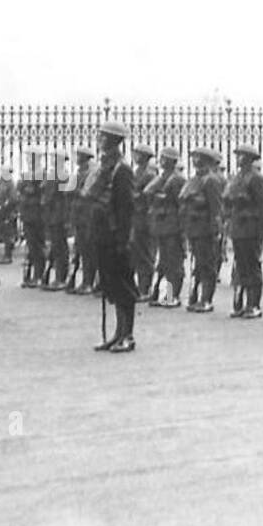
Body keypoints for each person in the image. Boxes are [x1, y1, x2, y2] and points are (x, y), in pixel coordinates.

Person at [82, 121, 139, 352]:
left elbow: (125, 208)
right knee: (112, 285)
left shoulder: (121, 169)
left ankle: (128, 335)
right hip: (103, 233)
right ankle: (118, 333)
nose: (99, 140)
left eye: (103, 137)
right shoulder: (104, 167)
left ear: (113, 141)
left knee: (123, 287)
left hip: (116, 236)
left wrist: (122, 240)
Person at [223, 143, 263, 318]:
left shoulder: (255, 178)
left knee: (252, 267)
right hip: (239, 228)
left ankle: (254, 304)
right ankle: (241, 303)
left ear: (249, 158)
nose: (238, 158)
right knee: (242, 267)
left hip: (251, 228)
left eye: (241, 155)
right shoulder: (237, 177)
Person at [180, 147, 223, 313]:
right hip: (194, 228)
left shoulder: (210, 180)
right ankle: (191, 296)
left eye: (198, 157)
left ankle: (206, 299)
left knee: (207, 266)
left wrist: (216, 230)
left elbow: (215, 208)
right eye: (194, 157)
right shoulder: (195, 179)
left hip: (205, 229)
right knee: (198, 266)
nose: (194, 160)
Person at [146, 147, 186, 307]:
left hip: (173, 226)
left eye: (165, 158)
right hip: (162, 225)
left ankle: (172, 296)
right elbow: (148, 192)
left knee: (173, 264)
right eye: (161, 157)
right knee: (163, 263)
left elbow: (180, 204)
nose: (162, 160)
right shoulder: (163, 177)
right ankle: (161, 294)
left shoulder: (177, 179)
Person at [41, 148, 71, 290]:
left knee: (60, 248)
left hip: (59, 214)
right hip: (54, 214)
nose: (53, 160)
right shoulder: (54, 174)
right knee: (56, 247)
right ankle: (58, 276)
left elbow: (61, 196)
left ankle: (61, 277)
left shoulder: (62, 176)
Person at [130, 144, 158, 296]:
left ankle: (144, 288)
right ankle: (140, 286)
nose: (134, 156)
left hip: (145, 219)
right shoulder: (137, 172)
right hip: (136, 217)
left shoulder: (149, 174)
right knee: (137, 253)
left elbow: (148, 197)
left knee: (145, 255)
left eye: (137, 154)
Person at [17, 147, 46, 288]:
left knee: (37, 246)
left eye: (31, 157)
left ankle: (39, 274)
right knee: (31, 246)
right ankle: (31, 274)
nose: (29, 160)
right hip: (28, 215)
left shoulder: (41, 175)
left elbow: (36, 193)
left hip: (37, 215)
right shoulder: (27, 175)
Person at [69, 147, 96, 294]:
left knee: (88, 252)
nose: (77, 158)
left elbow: (87, 194)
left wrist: (76, 191)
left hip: (87, 217)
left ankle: (89, 282)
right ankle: (85, 281)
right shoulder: (79, 173)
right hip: (79, 216)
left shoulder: (90, 174)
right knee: (81, 251)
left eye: (79, 156)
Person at [0, 164, 18, 264]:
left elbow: (13, 199)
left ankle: (8, 255)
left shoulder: (10, 184)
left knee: (7, 235)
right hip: (0, 212)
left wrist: (4, 207)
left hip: (8, 213)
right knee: (0, 233)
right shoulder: (0, 182)